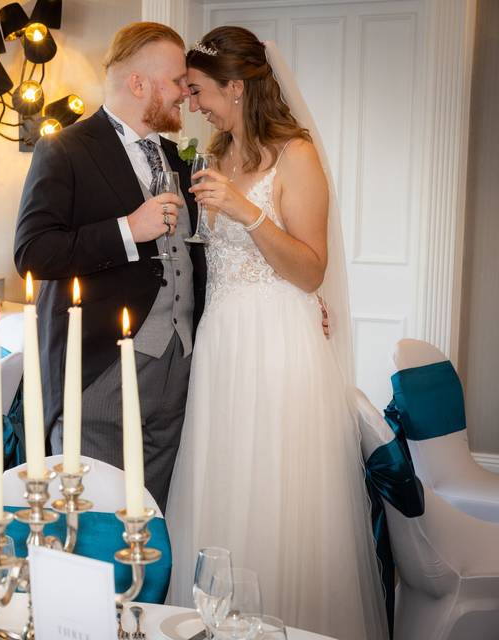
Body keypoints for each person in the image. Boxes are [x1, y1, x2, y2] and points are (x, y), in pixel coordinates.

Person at [163, 26, 387, 639]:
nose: (191, 101)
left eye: (199, 89)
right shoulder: (214, 154)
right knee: (223, 480)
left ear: (236, 88)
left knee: (274, 490)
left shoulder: (297, 155)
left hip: (278, 343)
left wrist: (248, 211)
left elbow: (311, 267)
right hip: (222, 341)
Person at [13, 22, 206, 509]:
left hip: (179, 368)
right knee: (95, 524)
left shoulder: (179, 160)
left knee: (153, 521)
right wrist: (127, 229)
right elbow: (32, 252)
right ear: (138, 83)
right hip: (99, 370)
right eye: (177, 80)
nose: (187, 91)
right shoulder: (64, 149)